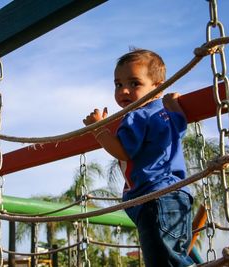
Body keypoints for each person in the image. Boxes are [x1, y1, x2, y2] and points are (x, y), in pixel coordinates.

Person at [83, 49, 195, 267]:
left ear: (158, 85)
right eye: (118, 84)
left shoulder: (137, 115)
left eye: (135, 83)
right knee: (176, 256)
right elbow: (180, 126)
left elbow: (122, 151)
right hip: (178, 196)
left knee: (162, 262)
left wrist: (98, 128)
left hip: (154, 198)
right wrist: (172, 104)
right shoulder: (162, 112)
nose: (124, 90)